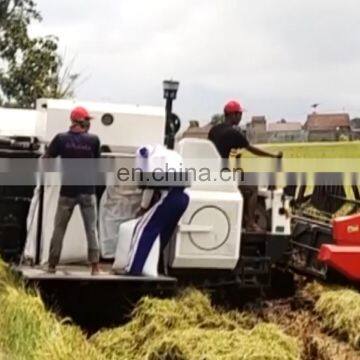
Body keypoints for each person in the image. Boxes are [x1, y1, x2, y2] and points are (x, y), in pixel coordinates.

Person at [208, 100, 282, 232]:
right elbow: (252, 149)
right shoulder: (233, 133)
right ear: (233, 115)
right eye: (240, 114)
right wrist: (273, 156)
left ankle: (242, 218)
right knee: (252, 187)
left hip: (210, 173)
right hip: (222, 176)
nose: (241, 117)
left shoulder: (214, 130)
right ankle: (250, 224)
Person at [45, 106, 101, 275]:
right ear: (82, 121)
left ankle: (51, 265)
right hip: (87, 191)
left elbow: (47, 160)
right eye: (88, 120)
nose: (89, 123)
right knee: (91, 229)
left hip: (67, 191)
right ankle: (95, 267)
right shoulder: (94, 140)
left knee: (59, 228)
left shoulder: (61, 139)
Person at [125, 145, 189, 275]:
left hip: (169, 197)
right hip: (183, 198)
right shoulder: (172, 155)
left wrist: (143, 208)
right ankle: (154, 266)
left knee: (142, 229)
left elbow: (149, 187)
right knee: (161, 235)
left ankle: (133, 269)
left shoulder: (150, 158)